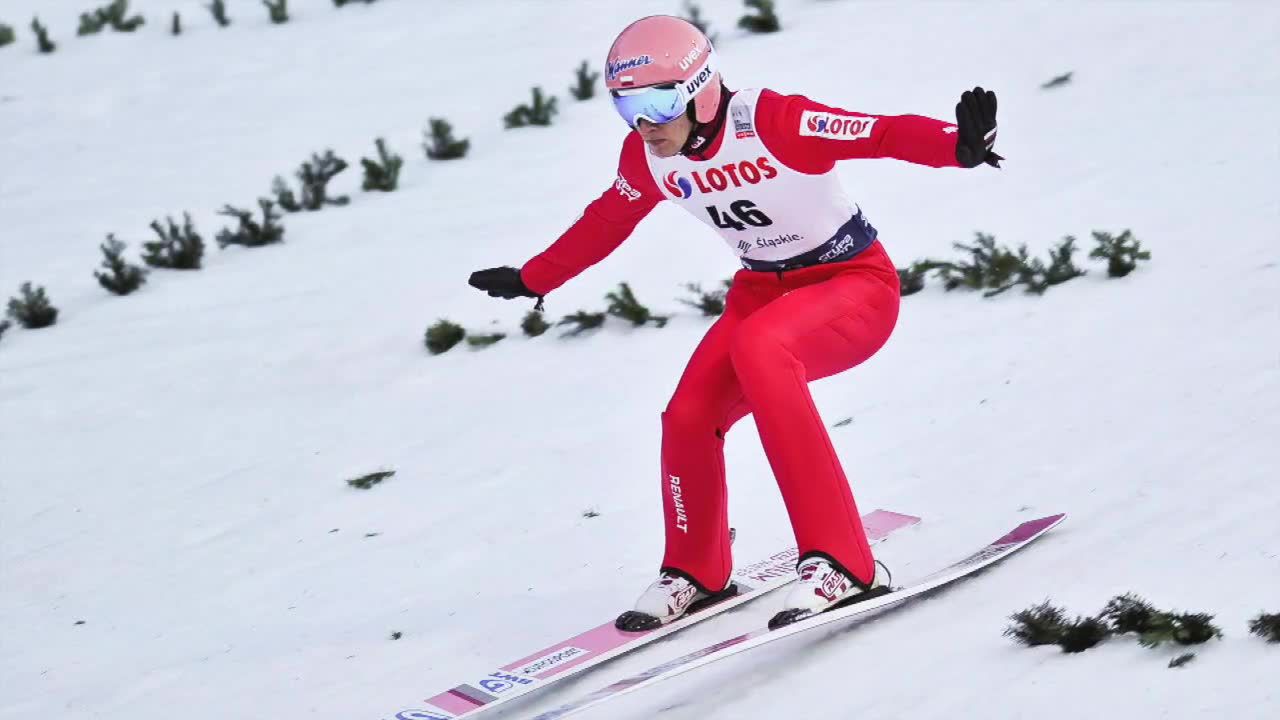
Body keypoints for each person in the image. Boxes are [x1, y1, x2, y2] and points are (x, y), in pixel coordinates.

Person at [469, 15, 1001, 631]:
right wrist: (537, 277)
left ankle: (846, 565)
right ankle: (696, 571)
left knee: (763, 348)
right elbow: (606, 220)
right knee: (691, 414)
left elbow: (874, 133)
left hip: (853, 285)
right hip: (760, 294)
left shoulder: (773, 122)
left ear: (701, 89)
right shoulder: (647, 157)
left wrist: (954, 146)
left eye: (659, 103)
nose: (646, 124)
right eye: (627, 108)